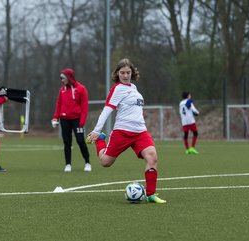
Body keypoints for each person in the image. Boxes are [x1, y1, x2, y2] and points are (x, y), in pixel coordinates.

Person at [86, 58, 166, 204]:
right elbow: (107, 110)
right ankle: (100, 140)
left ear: (132, 73)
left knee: (152, 158)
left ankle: (151, 194)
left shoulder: (134, 88)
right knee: (105, 162)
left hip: (140, 131)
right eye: (122, 72)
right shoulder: (117, 89)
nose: (125, 75)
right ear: (117, 73)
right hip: (122, 132)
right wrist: (97, 131)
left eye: (128, 72)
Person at [52, 68, 91, 172]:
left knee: (80, 141)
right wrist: (55, 117)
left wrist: (82, 121)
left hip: (77, 120)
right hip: (64, 120)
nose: (61, 80)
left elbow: (84, 106)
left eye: (63, 78)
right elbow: (59, 104)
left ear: (69, 78)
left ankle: (87, 162)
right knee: (67, 142)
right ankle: (68, 164)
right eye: (60, 78)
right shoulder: (62, 90)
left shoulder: (81, 89)